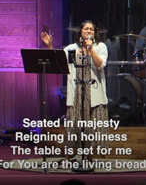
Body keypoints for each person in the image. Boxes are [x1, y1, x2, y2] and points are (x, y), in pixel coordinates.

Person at [41, 20, 108, 167]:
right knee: (73, 126)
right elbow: (59, 64)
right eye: (86, 29)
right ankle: (69, 156)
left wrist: (90, 49)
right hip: (76, 92)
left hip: (94, 92)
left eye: (91, 29)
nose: (88, 31)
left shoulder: (100, 47)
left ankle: (90, 157)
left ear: (95, 33)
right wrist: (49, 46)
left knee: (92, 126)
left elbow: (100, 65)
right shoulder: (72, 49)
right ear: (81, 32)